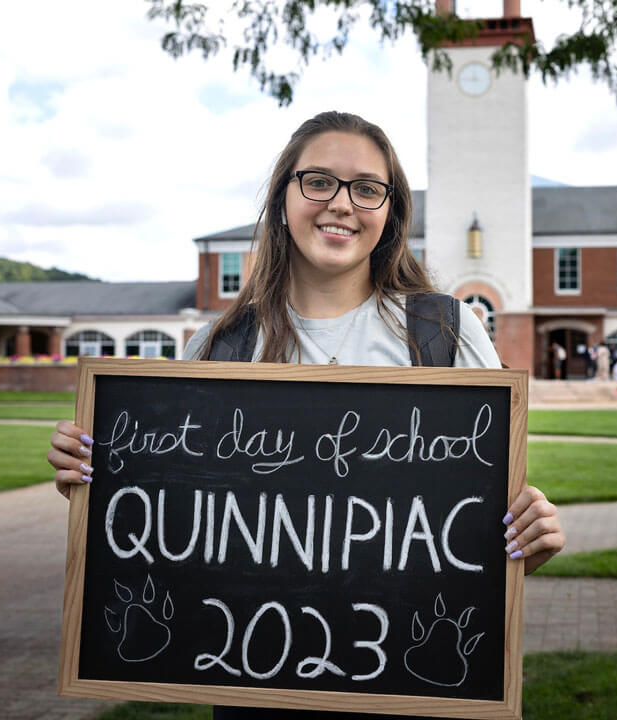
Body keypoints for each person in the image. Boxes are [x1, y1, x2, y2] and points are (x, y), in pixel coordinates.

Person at [46, 111, 566, 720]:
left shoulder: (444, 332)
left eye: (367, 188)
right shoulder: (221, 347)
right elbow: (174, 525)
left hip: (413, 693)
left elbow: (479, 528)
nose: (341, 204)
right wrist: (94, 483)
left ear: (391, 212)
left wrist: (528, 541)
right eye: (318, 181)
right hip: (255, 683)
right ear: (283, 197)